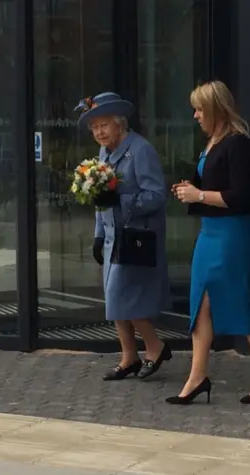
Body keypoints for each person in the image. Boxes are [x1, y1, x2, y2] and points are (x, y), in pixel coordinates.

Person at [168, 81, 250, 405]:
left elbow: (240, 196)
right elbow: (212, 188)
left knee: (239, 299)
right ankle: (197, 377)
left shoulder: (239, 143)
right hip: (209, 233)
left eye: (200, 109)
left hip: (232, 234)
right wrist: (192, 190)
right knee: (200, 302)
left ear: (215, 108)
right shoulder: (212, 143)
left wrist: (198, 194)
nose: (195, 115)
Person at [75, 92, 173, 381]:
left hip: (136, 237)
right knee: (114, 299)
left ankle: (155, 347)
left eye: (104, 125)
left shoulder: (140, 150)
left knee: (125, 298)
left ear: (119, 123)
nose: (99, 132)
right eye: (94, 128)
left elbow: (156, 195)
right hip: (112, 239)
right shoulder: (105, 153)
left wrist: (123, 201)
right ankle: (129, 356)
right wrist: (97, 234)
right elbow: (101, 197)